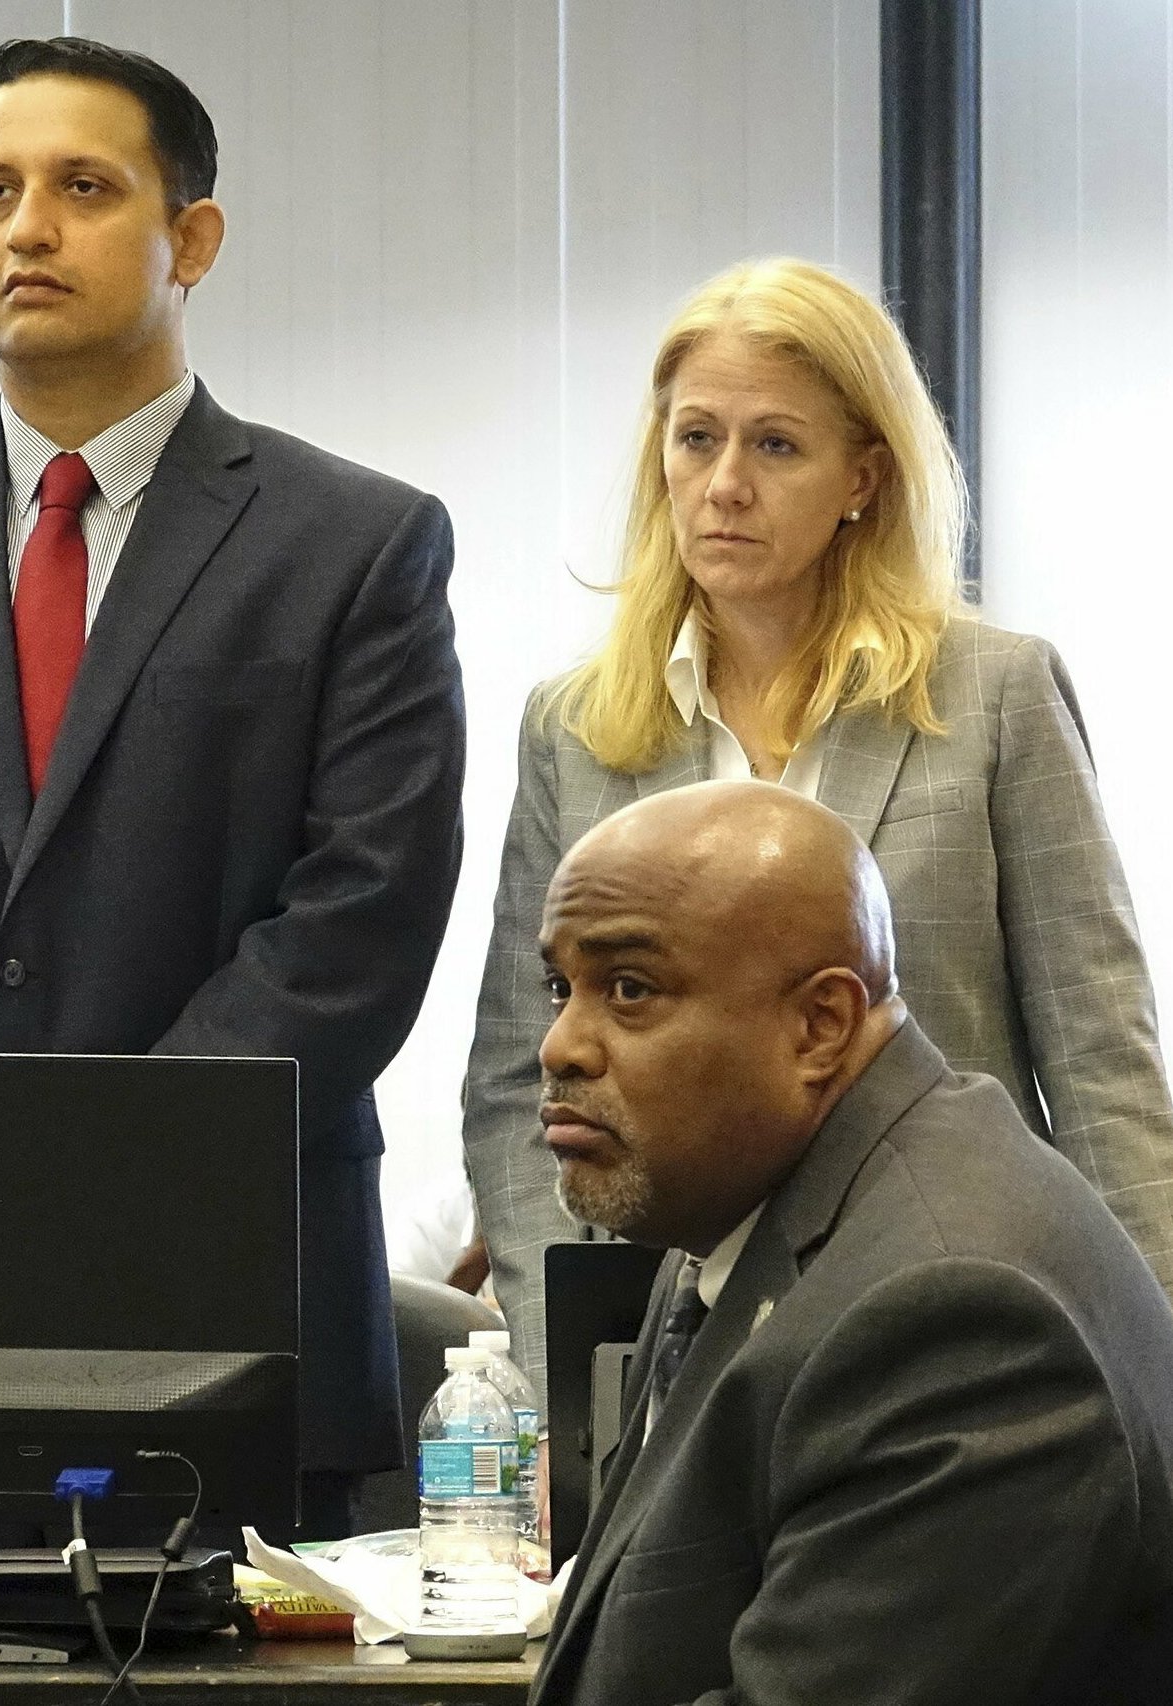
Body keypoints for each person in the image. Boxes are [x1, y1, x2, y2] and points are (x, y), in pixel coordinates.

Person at [0, 37, 465, 1536]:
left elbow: (359, 917)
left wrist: (95, 1166)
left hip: (237, 1289)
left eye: (83, 187)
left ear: (193, 239)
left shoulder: (354, 544)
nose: (28, 226)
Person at [464, 257, 1173, 1413]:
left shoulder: (994, 696)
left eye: (775, 446)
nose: (725, 485)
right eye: (696, 440)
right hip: (669, 1337)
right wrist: (583, 1374)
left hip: (951, 1309)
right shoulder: (577, 726)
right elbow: (515, 1076)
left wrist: (1149, 1374)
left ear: (864, 477)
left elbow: (1101, 1062)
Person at [529, 781, 1173, 1706]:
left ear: (821, 1025)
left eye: (630, 989)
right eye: (562, 986)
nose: (560, 1044)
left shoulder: (959, 1323)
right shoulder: (753, 1204)